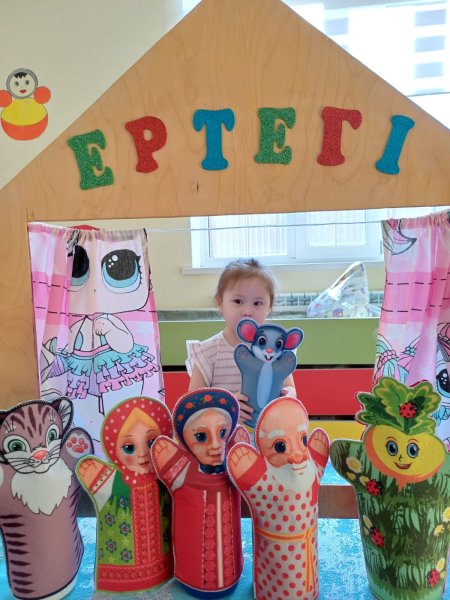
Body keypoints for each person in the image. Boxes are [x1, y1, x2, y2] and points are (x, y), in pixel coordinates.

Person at [227, 396, 330, 600]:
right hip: (276, 572)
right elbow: (252, 480)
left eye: (303, 440)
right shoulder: (266, 481)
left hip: (307, 553)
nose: (297, 455)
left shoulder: (309, 470)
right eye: (281, 446)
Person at [151, 388, 250, 597]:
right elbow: (163, 456)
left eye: (222, 433)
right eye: (201, 436)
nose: (216, 445)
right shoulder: (180, 468)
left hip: (232, 571)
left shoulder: (233, 462)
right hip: (191, 574)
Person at [186, 257, 297, 424]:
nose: (247, 311)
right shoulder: (208, 352)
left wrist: (288, 394)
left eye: (257, 303)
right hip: (222, 437)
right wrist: (226, 405)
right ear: (220, 303)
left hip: (268, 434)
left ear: (269, 307)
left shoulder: (276, 350)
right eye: (238, 301)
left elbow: (290, 388)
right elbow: (193, 403)